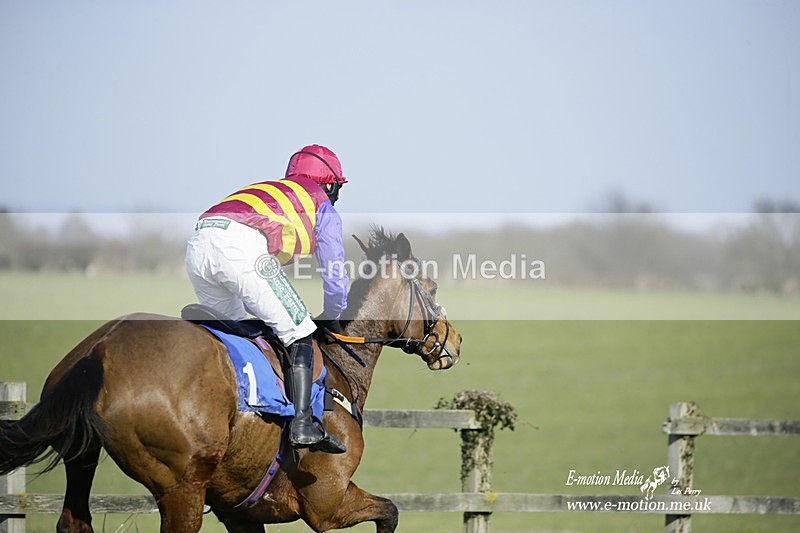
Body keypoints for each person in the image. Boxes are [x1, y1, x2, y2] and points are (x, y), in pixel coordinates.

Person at [185, 144, 349, 454]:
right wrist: (333, 312)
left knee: (233, 335)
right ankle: (302, 424)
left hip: (198, 245)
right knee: (300, 329)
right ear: (329, 183)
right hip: (240, 249)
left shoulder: (272, 190)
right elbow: (334, 269)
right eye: (337, 186)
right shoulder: (322, 205)